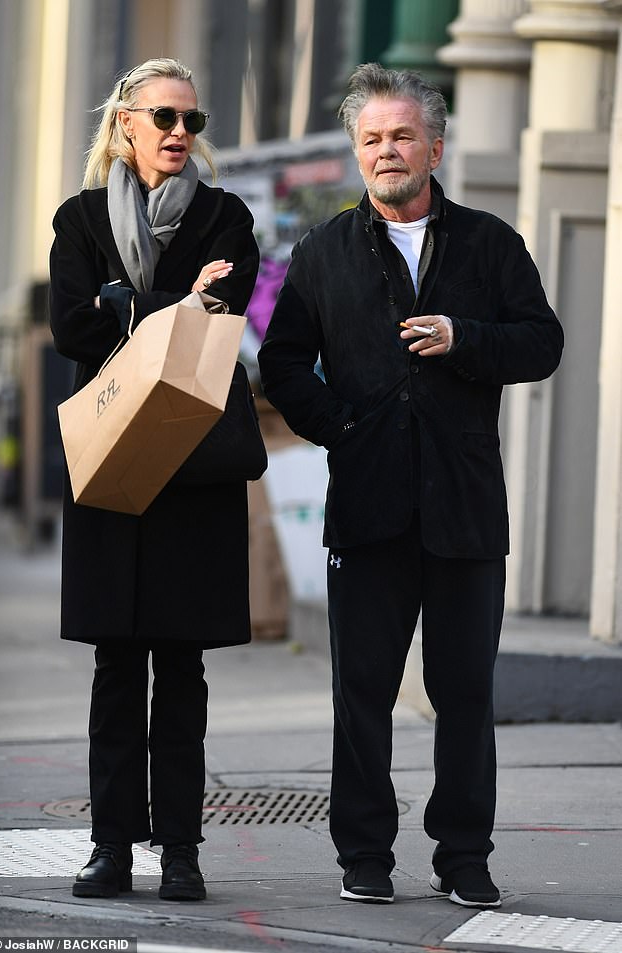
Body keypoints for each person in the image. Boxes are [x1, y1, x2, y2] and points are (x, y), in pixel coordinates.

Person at [258, 63, 563, 909]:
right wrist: (342, 427)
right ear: (358, 154)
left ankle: (463, 854)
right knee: (361, 692)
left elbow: (542, 342)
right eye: (371, 139)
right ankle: (364, 853)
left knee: (464, 690)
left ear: (435, 144)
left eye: (400, 136)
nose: (386, 151)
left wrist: (465, 336)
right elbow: (281, 362)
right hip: (369, 503)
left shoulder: (490, 243)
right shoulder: (321, 251)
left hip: (465, 506)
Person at [49, 58, 259, 902]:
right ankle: (109, 846)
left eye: (192, 122)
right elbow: (67, 325)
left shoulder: (225, 216)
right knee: (113, 666)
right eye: (164, 118)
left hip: (194, 465)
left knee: (182, 668)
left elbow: (227, 315)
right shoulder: (79, 217)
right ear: (124, 125)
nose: (180, 134)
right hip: (108, 461)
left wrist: (123, 303)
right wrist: (169, 302)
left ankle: (180, 850)